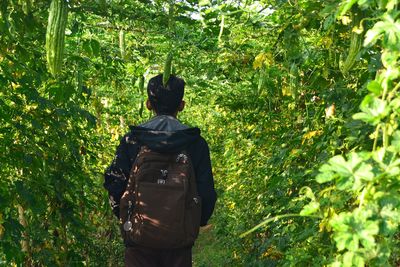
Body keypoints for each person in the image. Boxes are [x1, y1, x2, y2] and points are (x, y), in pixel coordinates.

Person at [103, 74, 217, 267]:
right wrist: (193, 222)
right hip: (179, 242)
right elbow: (206, 192)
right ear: (181, 105)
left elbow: (115, 184)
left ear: (148, 104)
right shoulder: (195, 143)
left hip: (139, 240)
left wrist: (126, 217)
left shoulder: (132, 141)